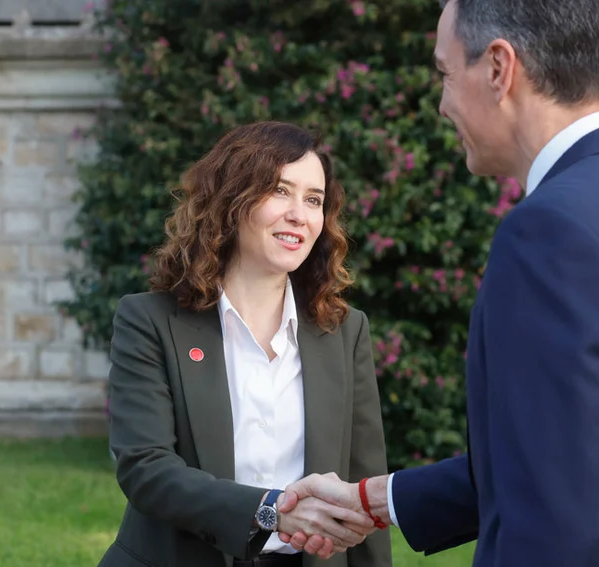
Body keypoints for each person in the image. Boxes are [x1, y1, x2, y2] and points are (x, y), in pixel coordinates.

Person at [278, 0, 599, 565]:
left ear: (498, 68)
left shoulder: (552, 230)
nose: (443, 104)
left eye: (445, 73)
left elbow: (552, 518)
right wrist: (376, 498)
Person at [96, 121, 392, 567]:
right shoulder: (150, 320)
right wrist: (270, 511)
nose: (299, 214)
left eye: (313, 200)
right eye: (280, 191)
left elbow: (361, 491)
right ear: (231, 202)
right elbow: (146, 469)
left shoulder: (345, 331)